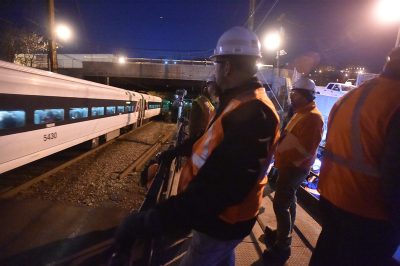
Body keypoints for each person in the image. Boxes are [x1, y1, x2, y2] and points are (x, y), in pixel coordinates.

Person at [109, 26, 280, 266]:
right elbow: (208, 143)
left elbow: (218, 190)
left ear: (227, 67)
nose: (214, 71)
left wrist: (151, 221)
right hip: (222, 219)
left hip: (223, 221)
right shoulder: (240, 104)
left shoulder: (254, 113)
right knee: (222, 259)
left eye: (215, 65)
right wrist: (172, 152)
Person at [309, 47, 400, 266]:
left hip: (332, 199)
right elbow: (395, 177)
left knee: (326, 255)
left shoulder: (352, 95)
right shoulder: (395, 101)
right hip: (369, 213)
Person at [263, 77, 323, 263]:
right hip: (288, 165)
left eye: (295, 93)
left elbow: (307, 149)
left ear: (306, 96)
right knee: (290, 201)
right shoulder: (301, 113)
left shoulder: (313, 117)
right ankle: (284, 233)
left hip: (294, 168)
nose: (291, 96)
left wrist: (287, 164)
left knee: (281, 204)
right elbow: (288, 138)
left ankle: (283, 246)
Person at [189, 75, 216, 140]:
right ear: (205, 88)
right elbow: (193, 128)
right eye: (213, 87)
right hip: (200, 139)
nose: (215, 91)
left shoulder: (210, 103)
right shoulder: (199, 102)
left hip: (206, 138)